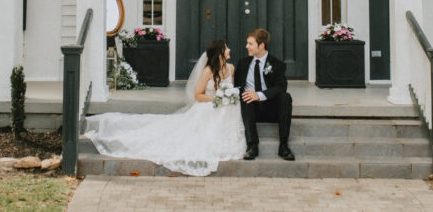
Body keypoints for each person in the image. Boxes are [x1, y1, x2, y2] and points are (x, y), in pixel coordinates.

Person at [84, 39, 245, 176]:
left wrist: (228, 97)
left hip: (226, 109)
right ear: (219, 53)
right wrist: (217, 98)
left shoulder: (231, 68)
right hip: (209, 106)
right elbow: (198, 95)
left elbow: (231, 88)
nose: (229, 50)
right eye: (226, 48)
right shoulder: (208, 72)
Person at [233, 28, 295, 161]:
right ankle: (252, 145)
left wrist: (260, 95)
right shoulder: (243, 63)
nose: (246, 46)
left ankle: (284, 146)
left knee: (286, 97)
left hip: (270, 107)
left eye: (250, 44)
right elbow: (237, 85)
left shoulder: (277, 64)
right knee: (245, 96)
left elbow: (281, 86)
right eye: (247, 43)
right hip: (250, 109)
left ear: (261, 45)